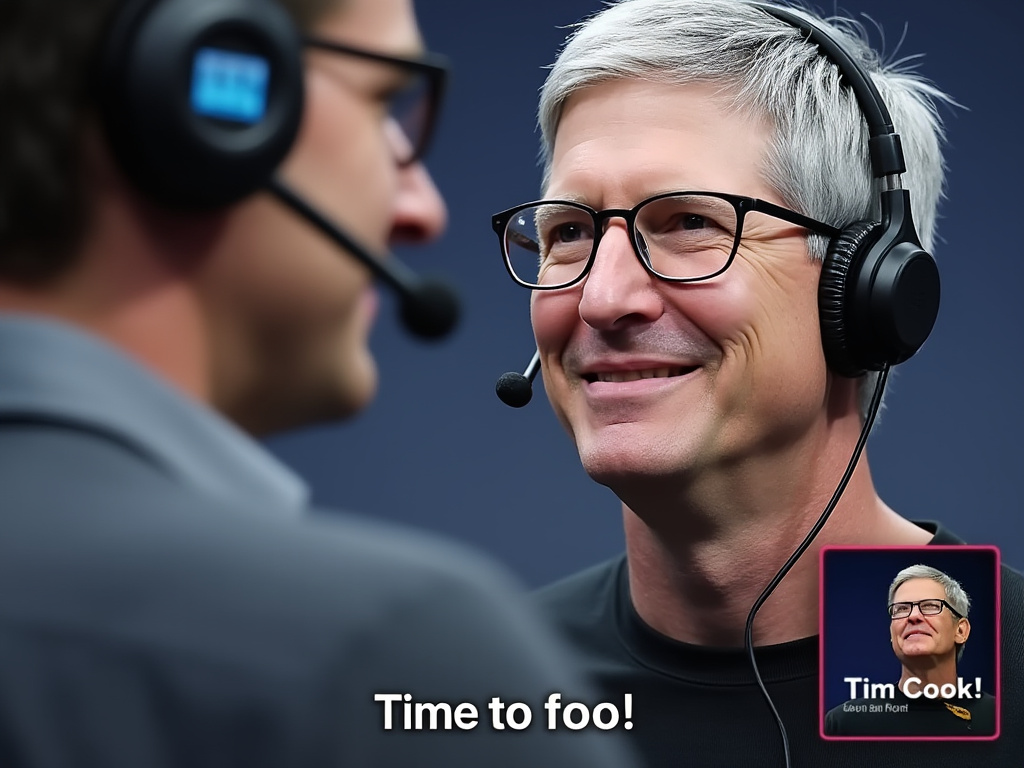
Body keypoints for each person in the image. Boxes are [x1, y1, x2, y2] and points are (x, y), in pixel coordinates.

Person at [0, 1, 639, 766]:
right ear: (192, 96)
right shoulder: (385, 658)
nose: (423, 210)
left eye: (688, 223)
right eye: (381, 103)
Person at [489, 0, 1024, 765]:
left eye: (686, 223)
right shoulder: (481, 686)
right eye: (569, 231)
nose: (602, 298)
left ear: (866, 291)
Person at [825, 564, 996, 736]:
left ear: (960, 631)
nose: (913, 616)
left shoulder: (1001, 718)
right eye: (901, 609)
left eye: (930, 605)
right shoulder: (845, 724)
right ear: (892, 634)